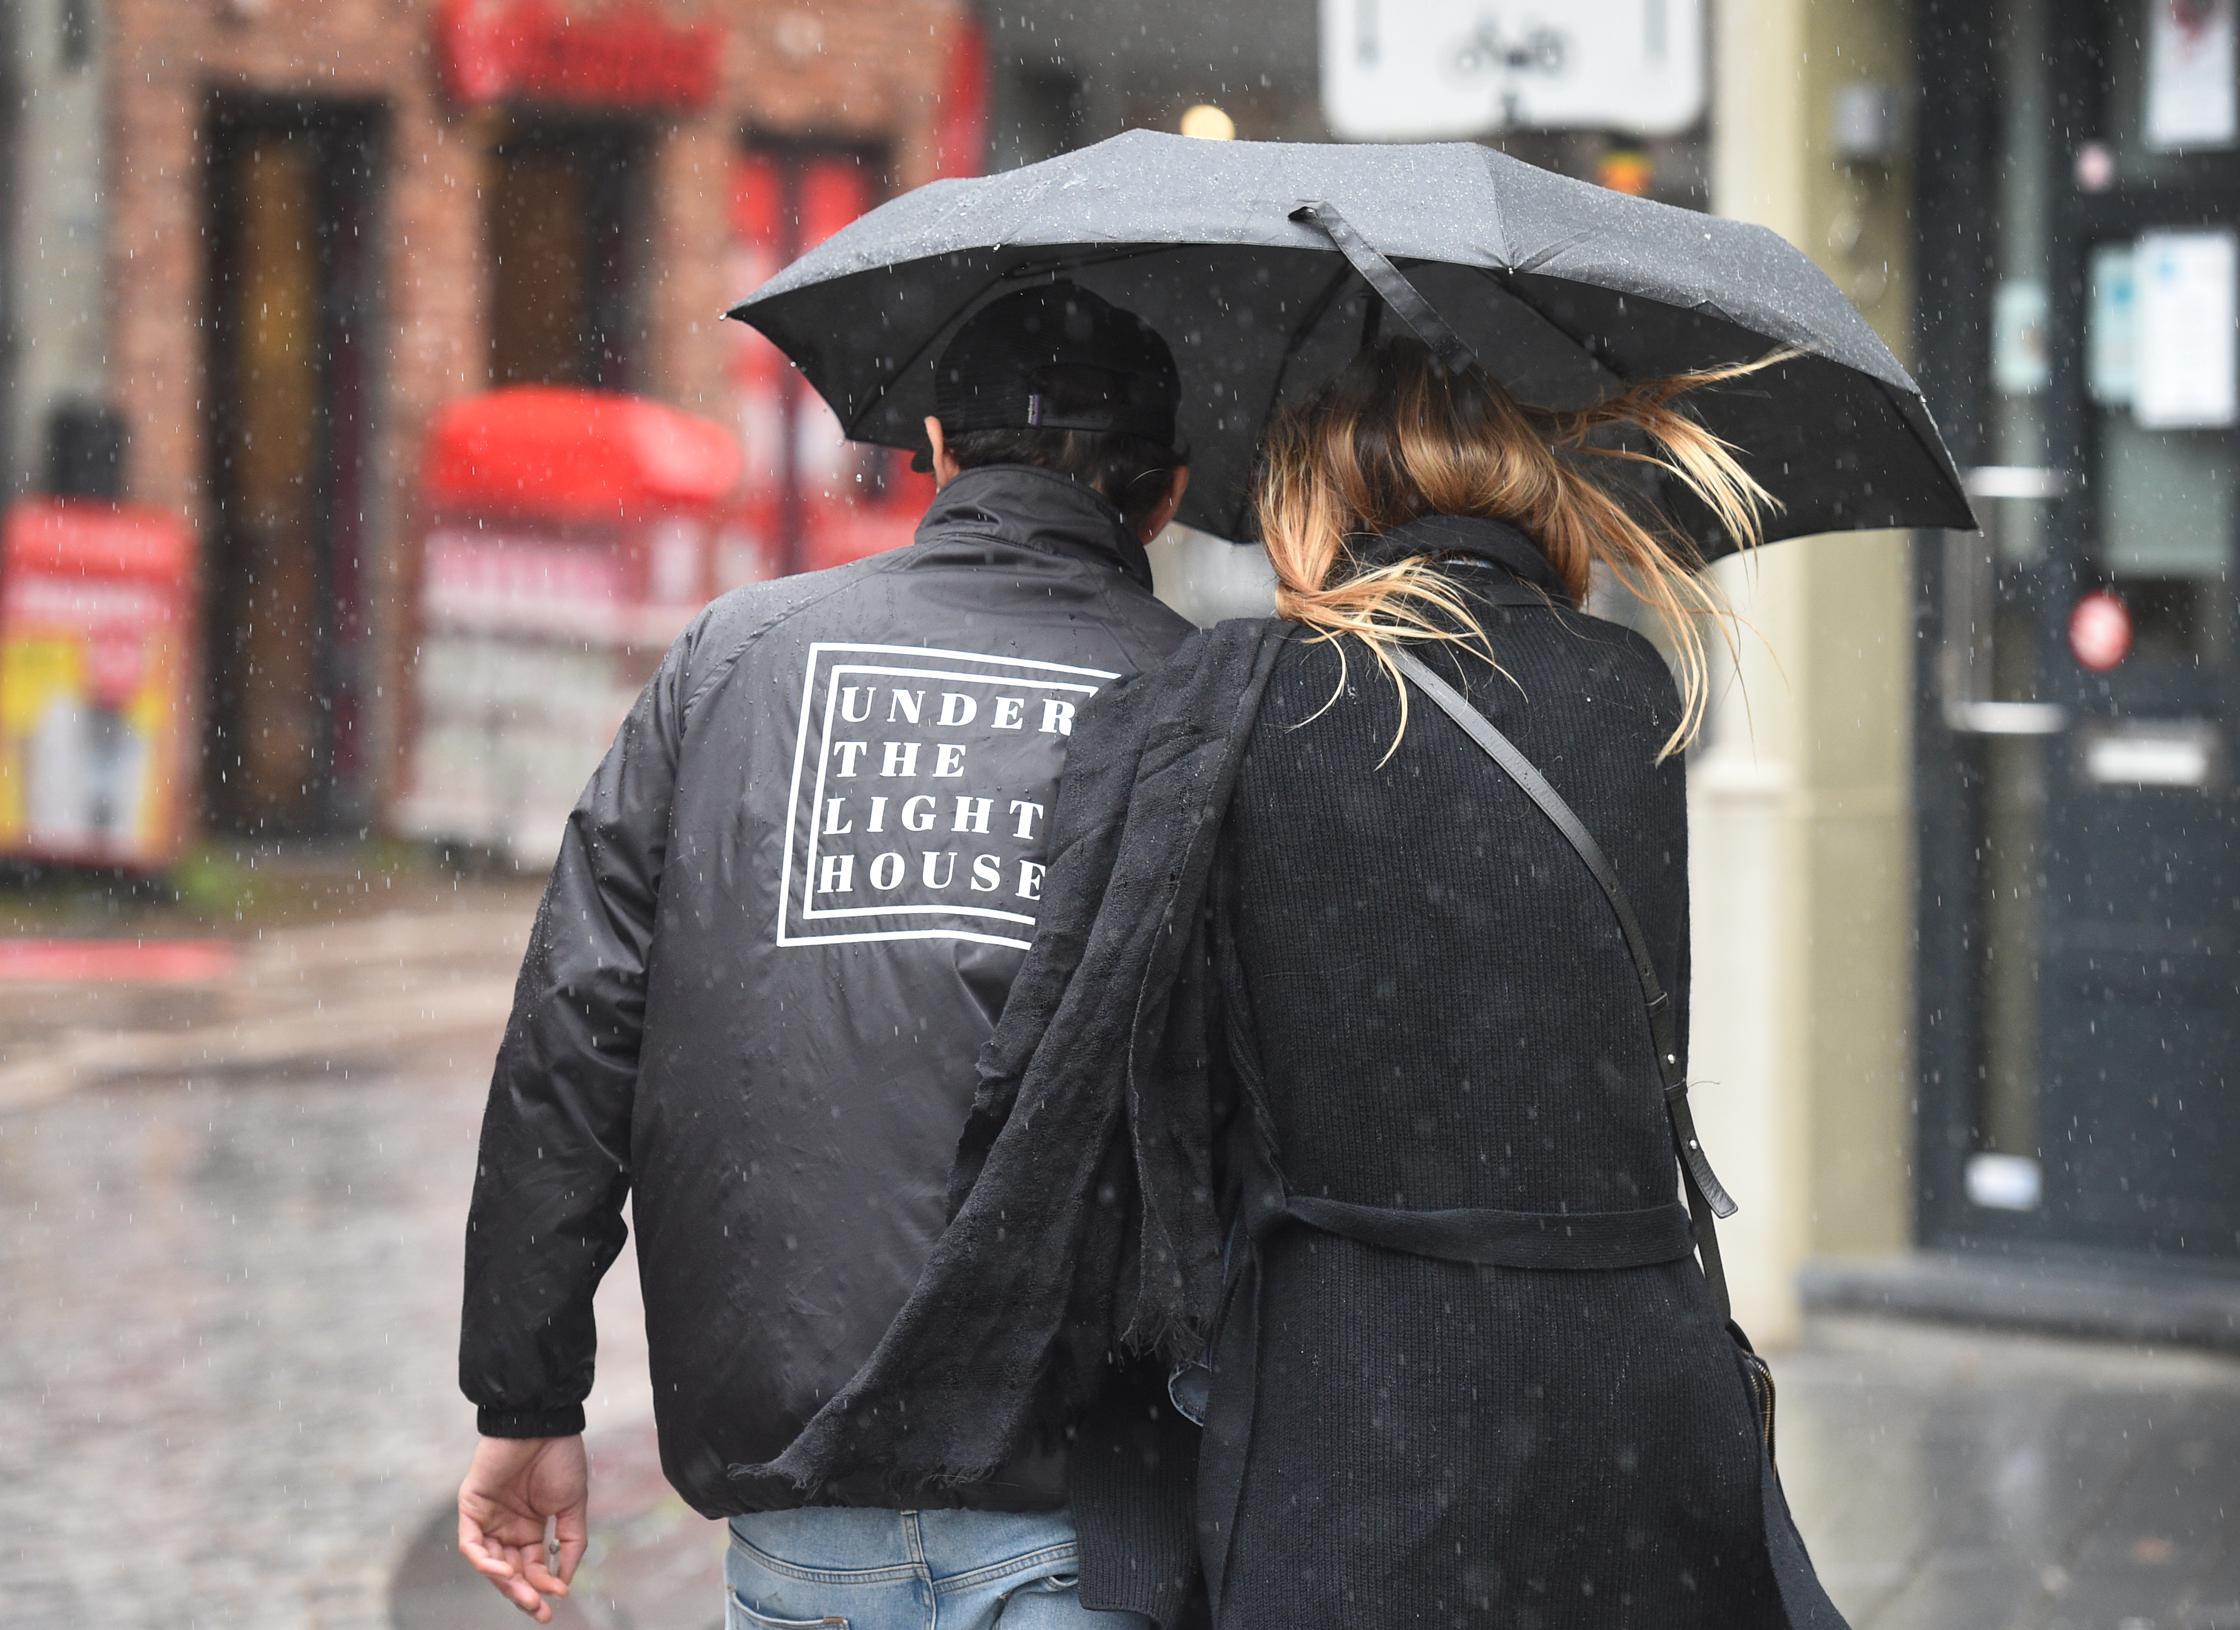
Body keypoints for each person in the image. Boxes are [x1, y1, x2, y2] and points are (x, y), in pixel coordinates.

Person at [744, 335, 1850, 1628]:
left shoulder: (1239, 699)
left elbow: (1118, 1078)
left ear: (1316, 494)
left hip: (1363, 1423)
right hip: (1627, 1398)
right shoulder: (1632, 691)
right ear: (1527, 485)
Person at [454, 281, 1204, 1630]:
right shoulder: (1204, 702)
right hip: (1088, 1485)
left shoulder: (737, 661)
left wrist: (527, 1393)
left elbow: (573, 1030)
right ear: (1165, 496)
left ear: (932, 443)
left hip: (806, 1479)